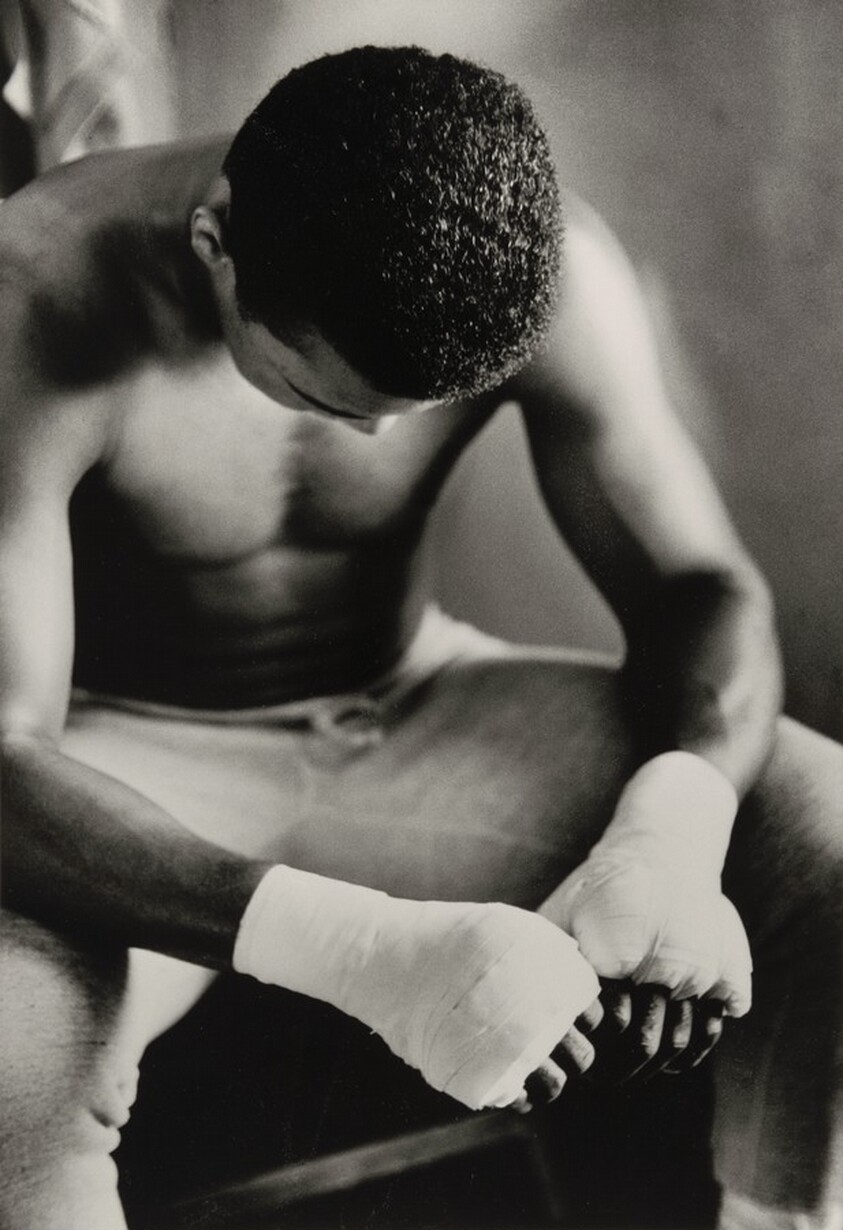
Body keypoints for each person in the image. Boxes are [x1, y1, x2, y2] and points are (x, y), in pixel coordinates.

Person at [0, 44, 840, 1230]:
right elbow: (3, 754)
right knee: (2, 1062)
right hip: (125, 756)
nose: (365, 443)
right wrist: (356, 949)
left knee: (829, 837)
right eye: (324, 400)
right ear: (215, 244)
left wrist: (670, 837)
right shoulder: (31, 291)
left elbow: (697, 582)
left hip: (417, 700)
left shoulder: (545, 268)